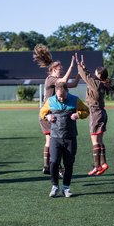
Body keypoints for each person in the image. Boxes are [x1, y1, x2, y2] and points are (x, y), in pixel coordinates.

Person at [33, 44, 80, 176]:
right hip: (47, 114)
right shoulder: (51, 79)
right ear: (53, 70)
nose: (61, 70)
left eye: (62, 69)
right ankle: (53, 167)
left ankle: (49, 166)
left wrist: (80, 74)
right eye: (59, 69)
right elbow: (64, 80)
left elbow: (74, 84)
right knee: (52, 140)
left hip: (54, 114)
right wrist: (72, 66)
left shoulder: (58, 81)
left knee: (52, 140)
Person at [39, 82, 89, 197]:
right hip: (55, 137)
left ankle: (66, 187)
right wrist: (47, 116)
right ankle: (55, 186)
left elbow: (87, 111)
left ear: (67, 92)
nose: (61, 98)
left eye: (63, 96)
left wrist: (79, 114)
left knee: (69, 163)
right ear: (56, 92)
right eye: (59, 96)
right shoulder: (50, 101)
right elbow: (42, 112)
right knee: (54, 161)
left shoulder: (75, 100)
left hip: (70, 137)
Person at [76, 54, 114, 176]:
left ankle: (97, 166)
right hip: (102, 113)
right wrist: (84, 67)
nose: (94, 74)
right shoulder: (101, 83)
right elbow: (90, 77)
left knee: (95, 141)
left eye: (95, 72)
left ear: (98, 74)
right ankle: (103, 163)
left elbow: (85, 77)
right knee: (100, 140)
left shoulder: (96, 84)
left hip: (95, 113)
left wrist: (79, 66)